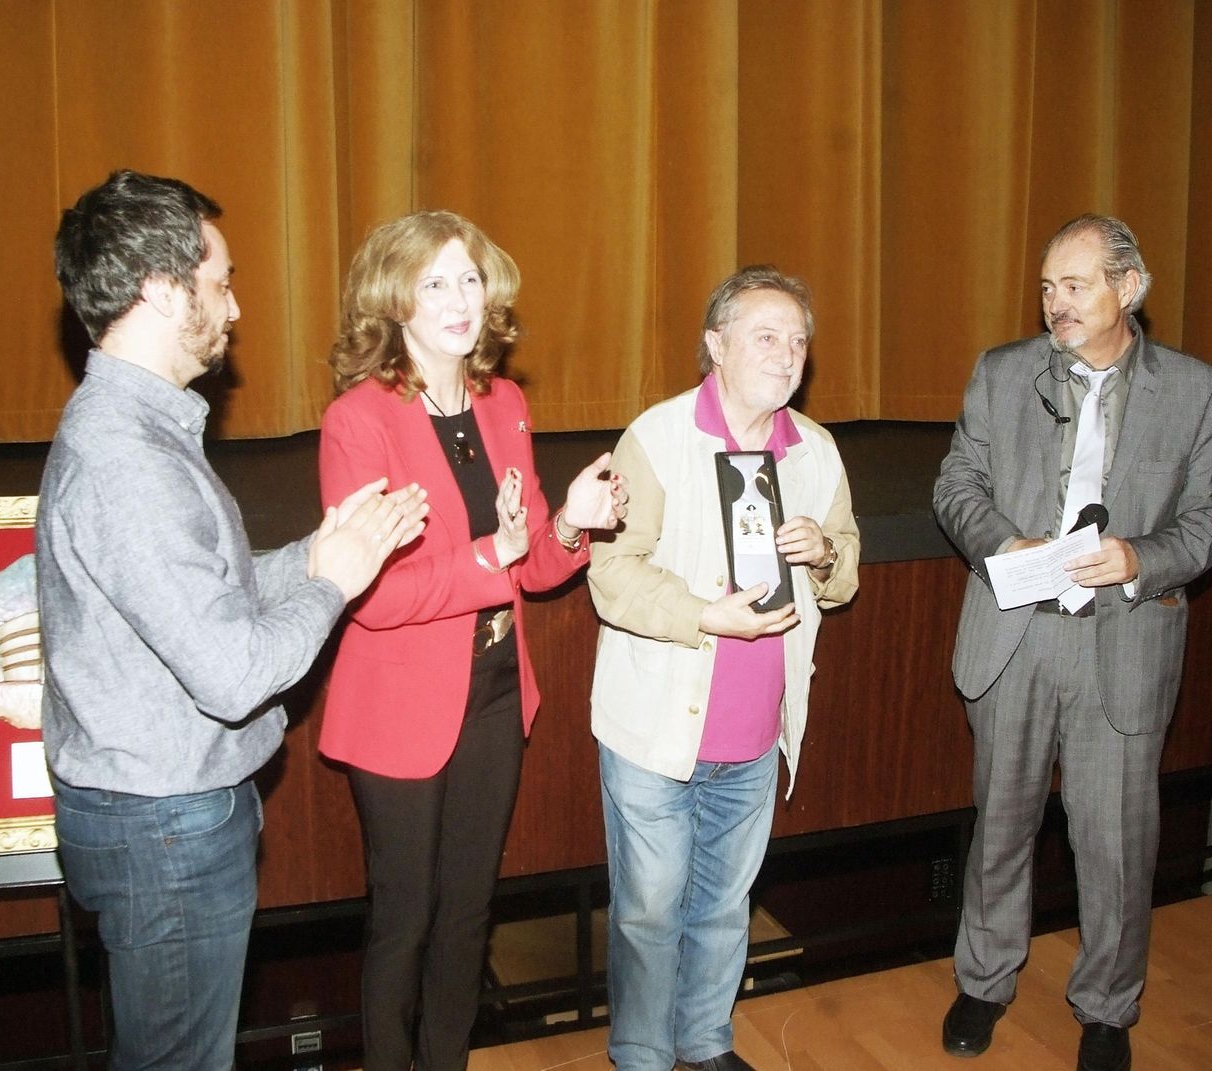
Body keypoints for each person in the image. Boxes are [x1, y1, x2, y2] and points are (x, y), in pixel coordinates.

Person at [39, 170, 430, 1071]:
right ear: (162, 291)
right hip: (166, 831)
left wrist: (312, 554)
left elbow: (201, 596)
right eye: (219, 283)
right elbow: (236, 672)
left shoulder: (137, 430)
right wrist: (330, 586)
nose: (236, 306)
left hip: (162, 822)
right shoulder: (125, 460)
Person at [317, 210, 627, 1071]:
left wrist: (572, 522)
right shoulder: (360, 420)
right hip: (398, 706)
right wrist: (496, 553)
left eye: (469, 278)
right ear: (395, 301)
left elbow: (528, 565)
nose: (459, 299)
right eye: (434, 282)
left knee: (467, 911)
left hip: (493, 689)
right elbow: (373, 594)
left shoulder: (503, 403)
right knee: (404, 918)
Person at [933, 214, 1212, 1071]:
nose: (1054, 304)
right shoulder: (1002, 374)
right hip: (1016, 636)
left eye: (1075, 285)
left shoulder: (1196, 390)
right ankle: (985, 980)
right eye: (1046, 287)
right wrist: (1003, 541)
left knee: (1115, 840)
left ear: (1128, 288)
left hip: (1125, 638)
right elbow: (956, 482)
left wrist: (1142, 556)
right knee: (1001, 824)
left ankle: (1107, 1006)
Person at [588, 266, 860, 1071]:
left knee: (722, 907)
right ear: (716, 344)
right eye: (766, 336)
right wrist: (708, 615)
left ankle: (704, 1046)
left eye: (799, 340)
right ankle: (640, 1057)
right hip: (656, 729)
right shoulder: (658, 436)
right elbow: (611, 572)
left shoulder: (814, 450)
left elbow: (845, 574)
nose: (787, 355)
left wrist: (823, 554)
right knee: (647, 911)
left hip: (753, 733)